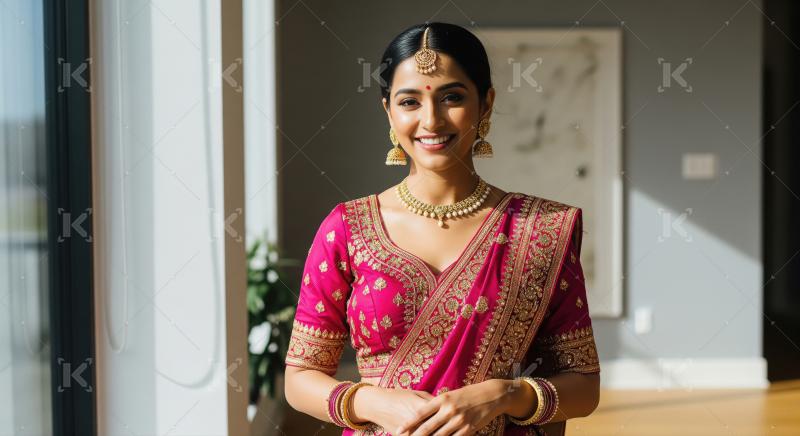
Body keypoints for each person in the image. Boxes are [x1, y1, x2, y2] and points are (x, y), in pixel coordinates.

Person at [283, 22, 600, 436]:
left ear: (486, 104)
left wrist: (504, 394)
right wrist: (373, 401)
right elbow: (300, 377)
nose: (431, 120)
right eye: (409, 102)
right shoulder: (347, 228)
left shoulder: (541, 229)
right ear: (388, 111)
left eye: (452, 97)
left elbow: (583, 386)